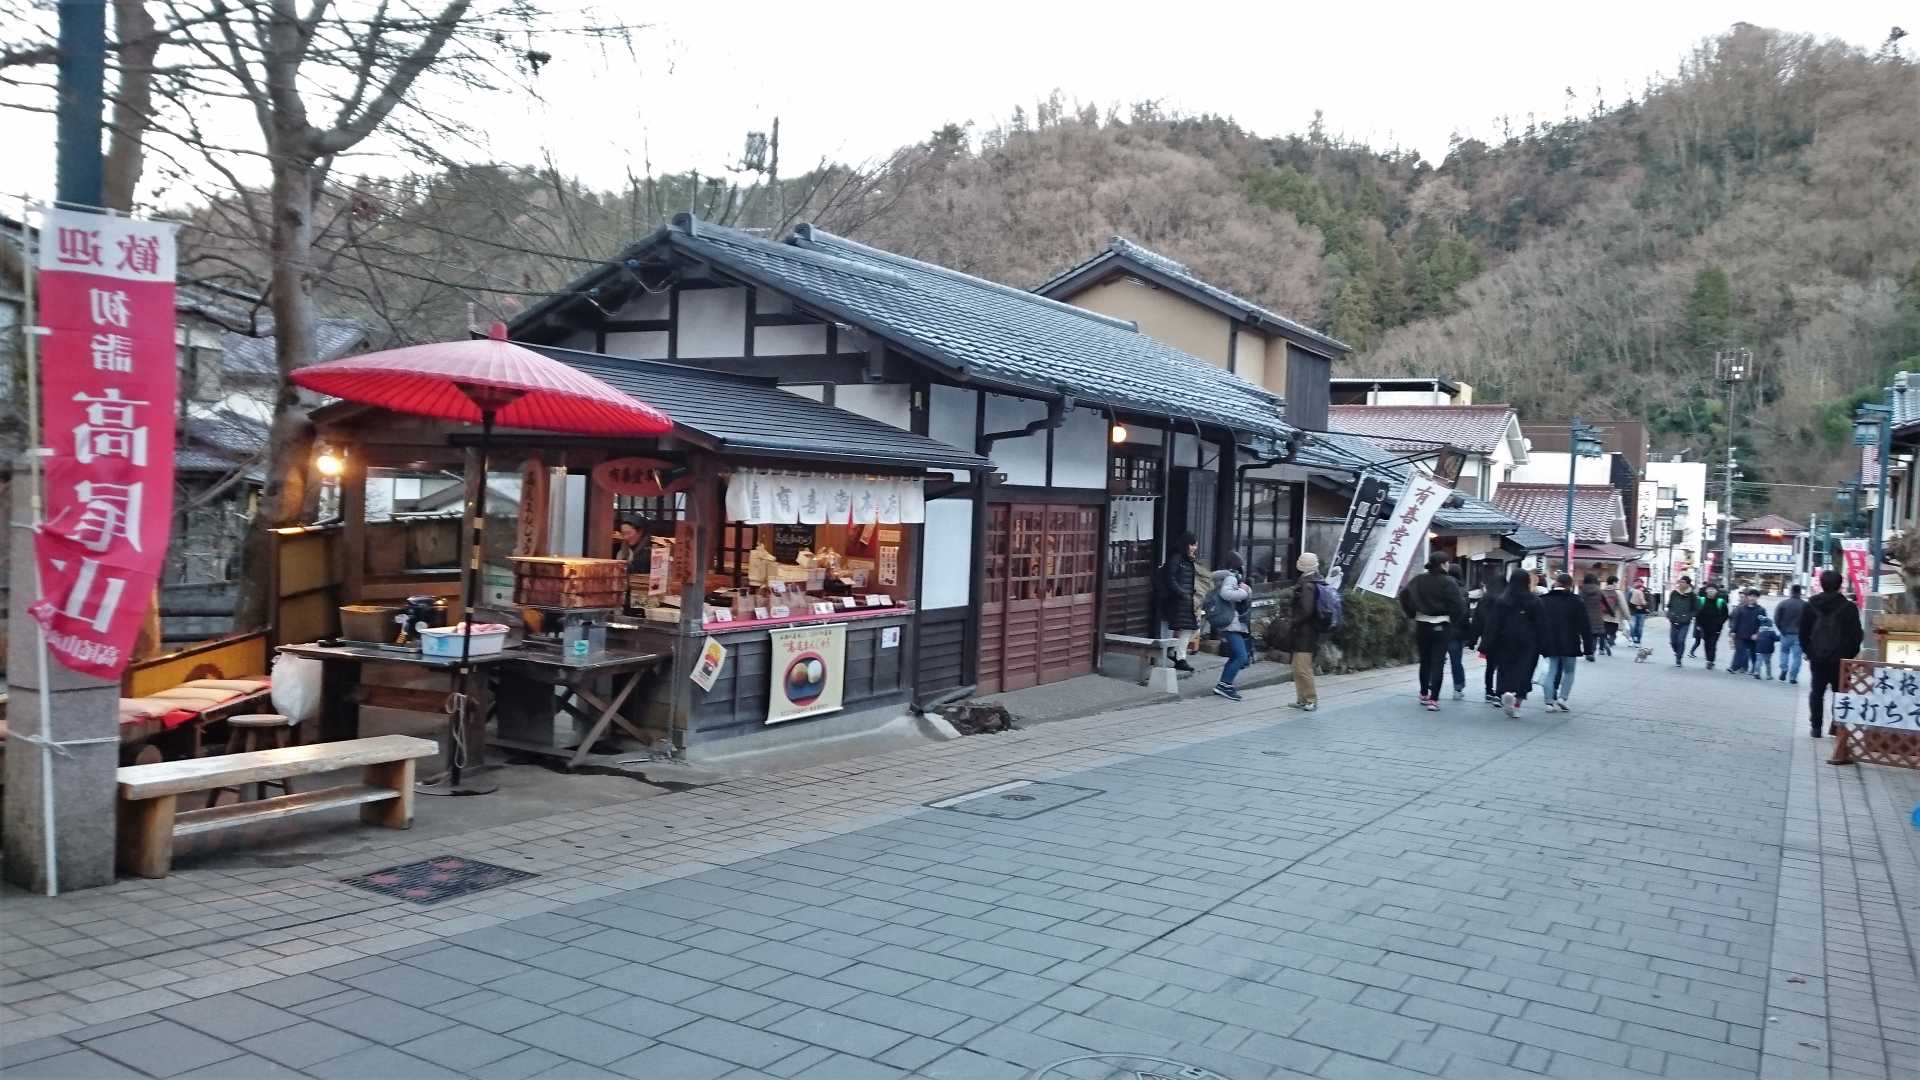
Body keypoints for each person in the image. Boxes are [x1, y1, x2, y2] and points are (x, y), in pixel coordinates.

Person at [1400, 554, 1470, 711]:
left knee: (1425, 661)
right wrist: (1453, 619)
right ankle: (1434, 700)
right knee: (1437, 662)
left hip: (1422, 623)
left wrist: (1411, 613)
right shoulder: (1449, 582)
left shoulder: (1418, 580)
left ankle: (1424, 693)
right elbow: (1459, 605)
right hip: (1441, 625)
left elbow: (1404, 595)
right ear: (1443, 564)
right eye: (1447, 562)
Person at [1801, 569, 1864, 738]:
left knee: (1817, 692)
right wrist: (1849, 655)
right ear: (1840, 585)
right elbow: (1857, 636)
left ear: (1821, 584)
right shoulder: (1849, 607)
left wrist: (1810, 652)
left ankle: (1816, 727)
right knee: (1840, 693)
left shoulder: (1810, 605)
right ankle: (1837, 727)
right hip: (1841, 659)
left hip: (1818, 657)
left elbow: (1803, 633)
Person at [1482, 566, 1544, 717]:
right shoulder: (1534, 601)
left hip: (1505, 641)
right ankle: (1517, 704)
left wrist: (1486, 644)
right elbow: (1542, 624)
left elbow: (1493, 624)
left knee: (1505, 669)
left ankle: (1506, 692)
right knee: (1525, 671)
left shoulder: (1502, 600)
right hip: (1528, 642)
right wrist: (1545, 645)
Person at [1539, 573, 1593, 711]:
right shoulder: (1576, 601)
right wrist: (1588, 648)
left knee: (1551, 671)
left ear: (1556, 583)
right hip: (1570, 642)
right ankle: (1563, 698)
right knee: (1569, 671)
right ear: (1570, 585)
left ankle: (1549, 702)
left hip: (1550, 641)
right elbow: (1585, 625)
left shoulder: (1544, 600)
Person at [1208, 552, 1255, 702]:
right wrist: (1245, 591)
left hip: (1231, 621)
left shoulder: (1227, 576)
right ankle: (1225, 685)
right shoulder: (1231, 577)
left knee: (1235, 656)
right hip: (1231, 623)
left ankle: (1224, 684)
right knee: (1241, 656)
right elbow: (1226, 594)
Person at [1153, 533, 1200, 674]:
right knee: (1186, 628)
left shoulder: (1186, 560)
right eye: (1192, 545)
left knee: (1189, 628)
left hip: (1184, 600)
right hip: (1177, 600)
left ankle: (1176, 654)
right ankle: (1178, 657)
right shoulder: (1177, 558)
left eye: (1195, 545)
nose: (1194, 548)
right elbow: (1170, 578)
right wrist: (1181, 592)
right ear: (1186, 545)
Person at [1287, 552, 1324, 712]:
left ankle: (1310, 699)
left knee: (1303, 668)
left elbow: (1306, 610)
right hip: (1304, 631)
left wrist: (1293, 622)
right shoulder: (1311, 580)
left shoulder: (1308, 585)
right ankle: (1302, 699)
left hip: (1306, 632)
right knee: (1297, 667)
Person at [1476, 574, 1504, 705]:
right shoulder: (1506, 599)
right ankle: (1499, 692)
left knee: (1490, 666)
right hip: (1503, 637)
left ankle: (1488, 691)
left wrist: (1473, 639)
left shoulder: (1485, 600)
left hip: (1488, 637)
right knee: (1502, 666)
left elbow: (1477, 621)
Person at [1775, 584, 1808, 685]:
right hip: (1799, 635)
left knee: (1784, 652)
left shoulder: (1783, 604)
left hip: (1785, 633)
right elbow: (1809, 621)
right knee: (1797, 657)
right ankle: (1793, 677)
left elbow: (1776, 618)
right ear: (1800, 592)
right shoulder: (1805, 605)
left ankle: (1784, 669)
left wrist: (1781, 629)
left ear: (1791, 591)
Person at [1728, 588, 1764, 674]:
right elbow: (1736, 621)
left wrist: (1758, 634)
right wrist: (1732, 632)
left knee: (1753, 653)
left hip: (1754, 636)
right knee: (1740, 651)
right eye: (1751, 596)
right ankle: (1734, 667)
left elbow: (1763, 624)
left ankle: (1755, 668)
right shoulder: (1741, 609)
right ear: (1747, 597)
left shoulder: (1760, 610)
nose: (1752, 598)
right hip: (1741, 634)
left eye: (1754, 596)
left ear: (1757, 598)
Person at [1666, 577, 1700, 666]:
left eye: (1683, 582)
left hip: (1685, 622)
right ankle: (1677, 652)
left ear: (1688, 584)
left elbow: (1696, 609)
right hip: (1674, 620)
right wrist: (1670, 614)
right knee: (1673, 641)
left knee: (1681, 640)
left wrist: (1689, 617)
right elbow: (1669, 605)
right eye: (1680, 582)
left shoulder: (1692, 595)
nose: (1681, 583)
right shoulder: (1674, 593)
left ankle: (1679, 658)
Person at [1694, 584, 1729, 669]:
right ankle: (1708, 659)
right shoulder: (1701, 600)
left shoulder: (1720, 602)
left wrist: (1719, 623)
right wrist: (1698, 624)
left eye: (1713, 589)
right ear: (1706, 590)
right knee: (1706, 643)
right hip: (1704, 627)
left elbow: (1725, 615)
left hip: (1716, 627)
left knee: (1713, 643)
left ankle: (1711, 660)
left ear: (1716, 591)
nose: (1711, 591)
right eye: (1709, 589)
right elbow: (1697, 613)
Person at [1579, 573, 1609, 659]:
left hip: (1584, 615)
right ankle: (1592, 652)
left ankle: (1588, 652)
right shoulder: (1599, 590)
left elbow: (1578, 602)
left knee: (1586, 635)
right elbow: (1605, 602)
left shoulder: (1582, 590)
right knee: (1594, 635)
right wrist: (1611, 612)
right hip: (1597, 616)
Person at [1752, 614, 1780, 680]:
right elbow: (1776, 638)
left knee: (1758, 661)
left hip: (1759, 649)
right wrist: (1781, 636)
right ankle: (1768, 675)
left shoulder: (1759, 632)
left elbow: (1755, 639)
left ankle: (1756, 672)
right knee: (1767, 663)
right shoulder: (1772, 632)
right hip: (1768, 650)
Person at [1601, 575, 1624, 653]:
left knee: (1604, 632)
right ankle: (1609, 642)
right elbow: (1623, 605)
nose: (1617, 584)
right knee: (1613, 633)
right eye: (1616, 582)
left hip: (1603, 616)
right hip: (1614, 617)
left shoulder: (1602, 591)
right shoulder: (1618, 592)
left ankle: (1603, 645)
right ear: (1614, 582)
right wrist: (1628, 616)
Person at [1627, 579, 1651, 645]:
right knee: (1632, 626)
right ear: (1634, 583)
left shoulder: (1646, 591)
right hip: (1633, 612)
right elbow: (1628, 601)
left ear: (1643, 583)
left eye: (1640, 582)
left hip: (1642, 612)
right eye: (1636, 582)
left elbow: (1649, 602)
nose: (1638, 583)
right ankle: (1632, 638)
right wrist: (1635, 606)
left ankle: (1638, 639)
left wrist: (1642, 607)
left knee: (1639, 627)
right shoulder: (1631, 591)